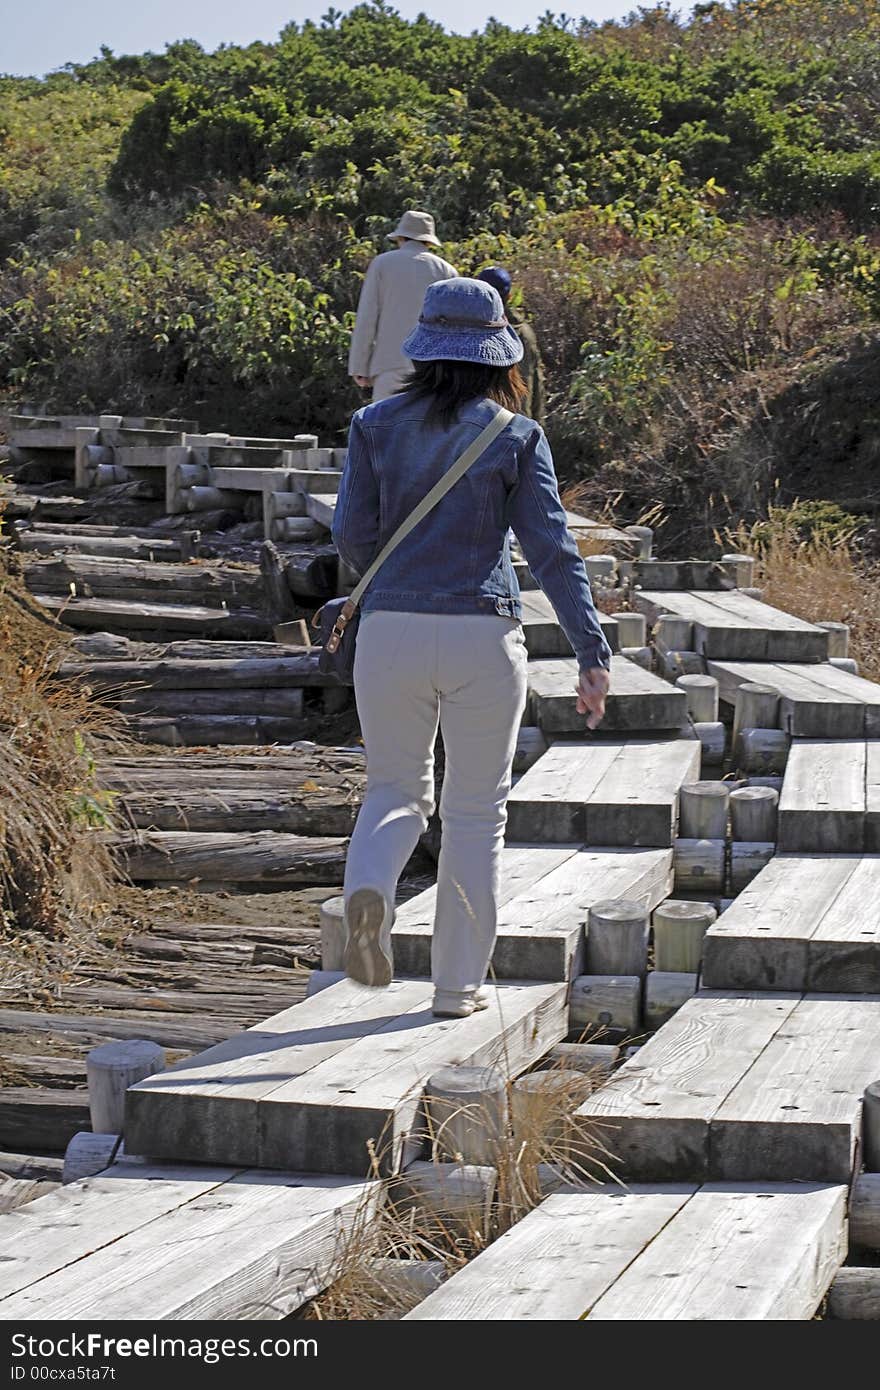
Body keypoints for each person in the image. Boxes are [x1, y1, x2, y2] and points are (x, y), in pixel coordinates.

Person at [332, 277, 611, 1018]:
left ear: (422, 349)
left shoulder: (373, 424)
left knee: (394, 790)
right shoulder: (515, 435)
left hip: (388, 631)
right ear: (497, 356)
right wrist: (592, 651)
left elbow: (351, 534)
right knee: (476, 815)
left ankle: (369, 893)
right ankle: (457, 991)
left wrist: (392, 581)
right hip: (484, 636)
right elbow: (553, 551)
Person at [347, 210, 457, 403]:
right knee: (424, 429)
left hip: (388, 364)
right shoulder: (447, 271)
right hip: (431, 368)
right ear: (429, 241)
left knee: (383, 428)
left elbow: (367, 316)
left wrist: (360, 366)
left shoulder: (382, 263)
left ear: (400, 237)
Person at [476, 266, 546, 427]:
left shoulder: (466, 333)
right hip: (518, 427)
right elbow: (536, 385)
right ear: (509, 295)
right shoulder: (524, 333)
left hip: (478, 429)